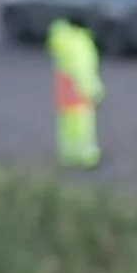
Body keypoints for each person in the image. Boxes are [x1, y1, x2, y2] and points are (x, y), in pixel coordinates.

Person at [47, 18, 104, 169]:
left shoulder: (62, 40)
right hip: (79, 92)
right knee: (83, 126)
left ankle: (69, 155)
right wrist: (94, 91)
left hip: (64, 90)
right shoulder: (80, 44)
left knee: (66, 126)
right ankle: (86, 156)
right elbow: (83, 71)